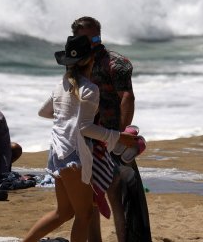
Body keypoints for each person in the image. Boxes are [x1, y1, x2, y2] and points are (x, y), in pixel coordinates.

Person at [22, 35, 137, 242]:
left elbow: (43, 112)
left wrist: (65, 118)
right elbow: (85, 128)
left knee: (64, 213)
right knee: (84, 215)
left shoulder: (62, 85)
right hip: (74, 155)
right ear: (91, 59)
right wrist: (118, 137)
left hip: (57, 153)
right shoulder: (90, 89)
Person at [70, 16, 136, 242]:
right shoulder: (75, 63)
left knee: (117, 197)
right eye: (86, 39)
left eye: (95, 37)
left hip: (111, 137)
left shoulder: (115, 63)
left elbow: (126, 97)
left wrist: (121, 135)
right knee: (90, 198)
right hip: (85, 138)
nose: (93, 43)